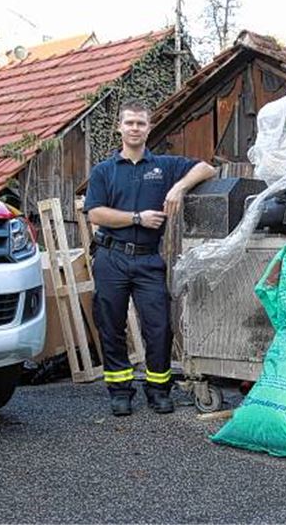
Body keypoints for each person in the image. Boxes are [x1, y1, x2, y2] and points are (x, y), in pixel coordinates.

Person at [83, 99, 217, 416]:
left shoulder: (163, 167)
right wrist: (137, 218)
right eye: (129, 122)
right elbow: (96, 214)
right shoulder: (104, 171)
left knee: (159, 327)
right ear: (119, 127)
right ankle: (120, 391)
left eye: (140, 123)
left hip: (148, 260)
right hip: (110, 257)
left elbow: (207, 167)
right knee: (111, 325)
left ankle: (158, 389)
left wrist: (179, 187)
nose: (135, 128)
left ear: (148, 127)